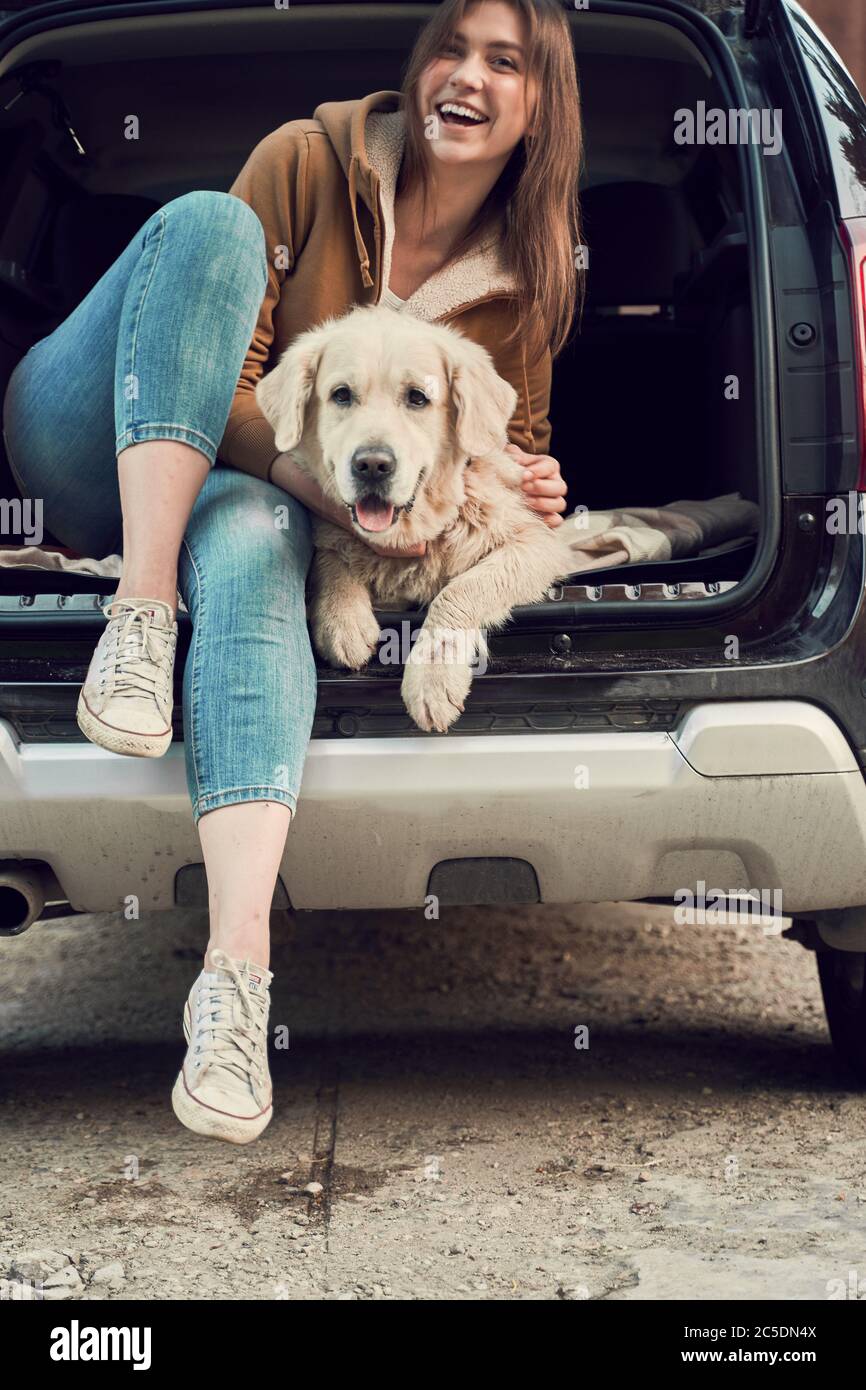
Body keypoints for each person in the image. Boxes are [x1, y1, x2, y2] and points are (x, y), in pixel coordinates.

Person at [0, 0, 582, 1144]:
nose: (466, 76)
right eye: (451, 48)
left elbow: (503, 443)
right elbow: (223, 389)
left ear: (540, 105)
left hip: (256, 498)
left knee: (259, 545)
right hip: (91, 435)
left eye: (503, 62)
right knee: (209, 229)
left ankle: (233, 986)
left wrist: (530, 478)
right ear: (417, 67)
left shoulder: (527, 273)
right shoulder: (304, 160)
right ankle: (141, 609)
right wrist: (329, 488)